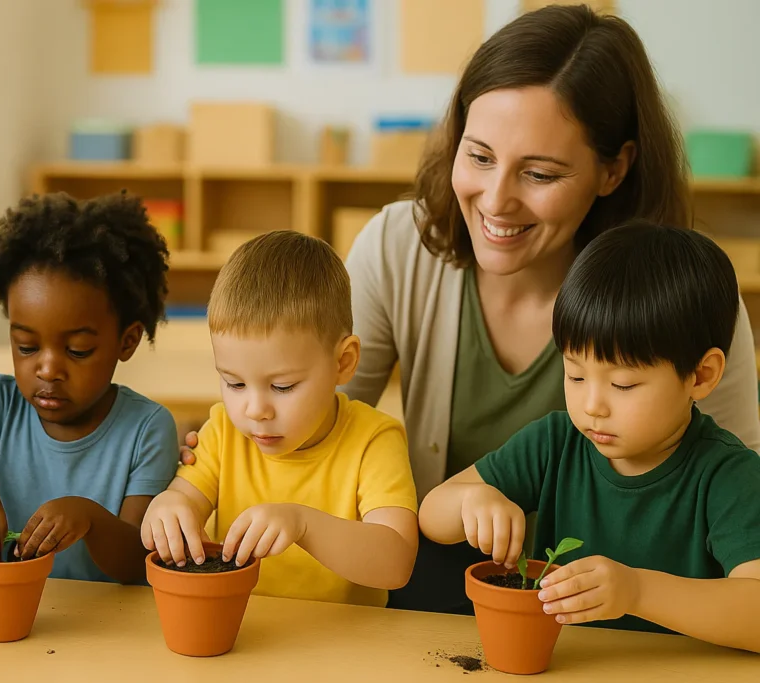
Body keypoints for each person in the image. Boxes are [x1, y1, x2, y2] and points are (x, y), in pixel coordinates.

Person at [180, 4, 760, 613]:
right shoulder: (400, 246)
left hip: (620, 615)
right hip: (428, 578)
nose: (496, 200)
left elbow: (729, 487)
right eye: (479, 156)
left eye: (539, 172)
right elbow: (320, 407)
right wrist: (228, 443)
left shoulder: (682, 301)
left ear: (613, 169)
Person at [418, 222, 760, 653]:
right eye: (575, 374)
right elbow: (431, 515)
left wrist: (636, 591)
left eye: (623, 385)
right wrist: (472, 501)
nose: (593, 404)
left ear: (701, 375)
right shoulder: (556, 442)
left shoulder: (729, 475)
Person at [0, 192, 179, 584]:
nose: (47, 369)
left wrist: (89, 518)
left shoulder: (147, 428)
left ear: (127, 341)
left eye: (77, 350)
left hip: (109, 627)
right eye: (27, 347)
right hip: (12, 609)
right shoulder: (0, 402)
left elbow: (139, 564)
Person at [142, 231, 418, 607]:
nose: (255, 410)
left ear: (344, 362)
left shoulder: (375, 440)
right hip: (243, 634)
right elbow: (183, 500)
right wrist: (167, 509)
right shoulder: (224, 431)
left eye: (283, 386)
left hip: (346, 649)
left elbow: (396, 564)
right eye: (234, 382)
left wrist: (303, 524)